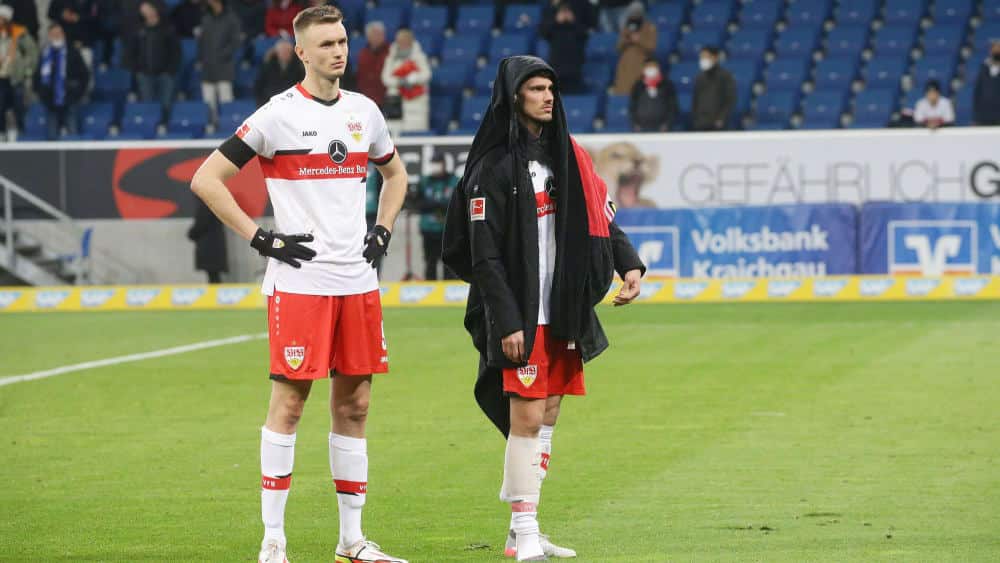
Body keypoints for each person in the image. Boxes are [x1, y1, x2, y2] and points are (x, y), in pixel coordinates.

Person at [189, 6, 409, 563]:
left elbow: (395, 174)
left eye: (342, 41)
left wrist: (382, 229)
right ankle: (273, 542)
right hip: (301, 285)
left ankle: (351, 542)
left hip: (357, 282)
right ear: (301, 52)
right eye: (326, 44)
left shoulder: (364, 111)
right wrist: (261, 239)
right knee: (289, 404)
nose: (338, 51)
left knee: (355, 406)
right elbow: (206, 179)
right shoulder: (277, 115)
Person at [441, 55, 646, 561]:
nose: (547, 97)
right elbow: (484, 255)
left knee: (547, 414)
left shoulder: (568, 155)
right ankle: (525, 530)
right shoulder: (493, 167)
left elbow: (600, 215)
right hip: (522, 314)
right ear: (514, 97)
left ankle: (522, 534)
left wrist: (629, 263)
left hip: (564, 307)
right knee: (527, 418)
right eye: (535, 89)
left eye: (550, 88)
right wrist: (507, 320)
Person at [124, 1, 181, 116]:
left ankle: (165, 124)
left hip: (166, 74)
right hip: (145, 75)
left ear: (155, 9)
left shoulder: (168, 29)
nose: (147, 12)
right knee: (148, 107)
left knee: (166, 105)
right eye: (144, 10)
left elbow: (176, 52)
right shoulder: (138, 31)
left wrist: (170, 70)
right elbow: (130, 53)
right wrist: (138, 70)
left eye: (149, 8)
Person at [34, 23, 88, 139]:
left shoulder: (72, 52)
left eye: (59, 33)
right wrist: (42, 94)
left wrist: (78, 93)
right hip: (50, 101)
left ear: (63, 34)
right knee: (51, 136)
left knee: (72, 135)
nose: (57, 35)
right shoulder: (44, 54)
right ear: (49, 36)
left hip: (70, 98)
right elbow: (37, 77)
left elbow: (84, 75)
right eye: (54, 34)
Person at [197, 0, 241, 122]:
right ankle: (210, 124)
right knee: (208, 101)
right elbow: (201, 42)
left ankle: (228, 124)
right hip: (207, 67)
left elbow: (236, 41)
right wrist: (202, 58)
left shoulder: (231, 18)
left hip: (224, 66)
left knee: (226, 99)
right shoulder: (206, 19)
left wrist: (223, 54)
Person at [416, 152, 458, 280]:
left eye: (438, 163)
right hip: (429, 230)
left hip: (448, 230)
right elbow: (418, 203)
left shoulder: (454, 181)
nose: (435, 167)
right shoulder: (425, 181)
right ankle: (430, 288)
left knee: (449, 263)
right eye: (433, 164)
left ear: (444, 164)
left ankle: (449, 289)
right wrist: (436, 204)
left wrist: (439, 204)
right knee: (430, 262)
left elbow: (456, 203)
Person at [380, 27, 430, 133]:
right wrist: (400, 81)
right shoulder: (391, 58)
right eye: (400, 41)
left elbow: (426, 75)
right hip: (395, 100)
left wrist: (413, 79)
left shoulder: (419, 56)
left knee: (415, 131)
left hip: (415, 101)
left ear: (410, 41)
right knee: (394, 131)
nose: (402, 43)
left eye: (405, 40)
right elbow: (385, 78)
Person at [0, 3, 37, 140]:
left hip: (15, 76)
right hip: (1, 77)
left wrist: (25, 69)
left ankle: (19, 130)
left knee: (18, 104)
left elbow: (32, 53)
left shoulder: (19, 33)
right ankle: (2, 131)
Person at [538, 1, 588, 94]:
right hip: (556, 64)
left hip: (574, 64)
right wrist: (556, 21)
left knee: (574, 95)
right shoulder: (550, 12)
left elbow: (585, 34)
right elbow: (543, 32)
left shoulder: (579, 9)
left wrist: (573, 21)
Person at [611, 1, 655, 95]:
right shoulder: (627, 27)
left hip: (641, 63)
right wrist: (627, 39)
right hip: (625, 65)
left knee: (639, 92)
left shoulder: (649, 27)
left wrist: (639, 40)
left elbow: (651, 48)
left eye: (637, 13)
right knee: (623, 91)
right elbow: (618, 47)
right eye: (633, 13)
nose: (634, 15)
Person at [692, 46, 736, 131]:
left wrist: (721, 118)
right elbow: (695, 100)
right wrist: (695, 118)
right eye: (701, 57)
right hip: (701, 123)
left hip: (718, 124)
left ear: (715, 57)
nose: (703, 60)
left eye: (706, 57)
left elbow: (730, 99)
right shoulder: (699, 78)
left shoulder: (725, 76)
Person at [629, 57, 677, 132]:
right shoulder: (638, 86)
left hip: (662, 129)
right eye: (648, 67)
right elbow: (632, 106)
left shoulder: (667, 85)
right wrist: (635, 124)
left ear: (658, 68)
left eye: (653, 66)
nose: (651, 69)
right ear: (643, 69)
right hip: (641, 129)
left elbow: (672, 107)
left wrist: (667, 124)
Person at [187, 197, 228, 283]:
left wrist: (191, 234)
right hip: (214, 245)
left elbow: (201, 223)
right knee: (214, 276)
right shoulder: (215, 203)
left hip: (209, 247)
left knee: (213, 276)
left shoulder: (206, 205)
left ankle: (215, 292)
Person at [253, 37, 302, 106]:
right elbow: (258, 86)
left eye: (287, 51)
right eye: (282, 51)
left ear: (291, 52)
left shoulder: (299, 68)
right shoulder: (268, 66)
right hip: (270, 102)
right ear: (277, 53)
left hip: (292, 103)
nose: (285, 54)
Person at [356, 20, 387, 106]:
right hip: (366, 97)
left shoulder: (391, 51)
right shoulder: (363, 53)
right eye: (373, 35)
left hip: (385, 96)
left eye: (379, 34)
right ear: (368, 37)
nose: (376, 37)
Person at [973, 40, 1000, 126]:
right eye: (994, 48)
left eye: (999, 48)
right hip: (984, 115)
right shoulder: (983, 67)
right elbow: (978, 92)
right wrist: (976, 117)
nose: (996, 50)